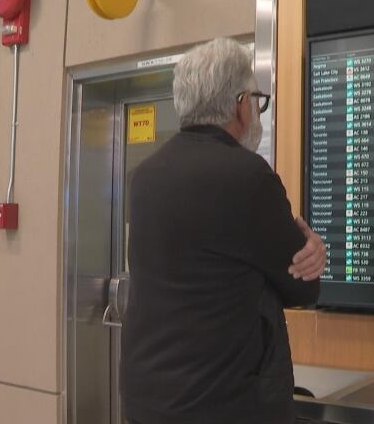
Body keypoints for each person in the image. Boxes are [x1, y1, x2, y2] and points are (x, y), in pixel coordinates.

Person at [121, 38, 326, 424]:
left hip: (147, 402)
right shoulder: (248, 176)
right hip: (220, 406)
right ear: (240, 104)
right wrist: (312, 249)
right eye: (257, 100)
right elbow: (302, 286)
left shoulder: (145, 177)